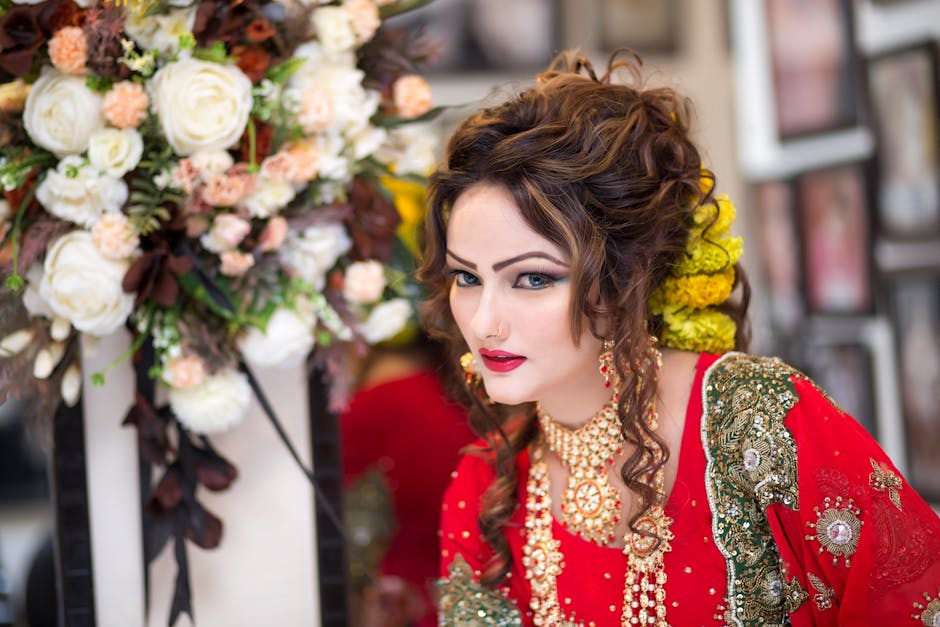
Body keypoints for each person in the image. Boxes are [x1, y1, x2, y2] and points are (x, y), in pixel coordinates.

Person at [418, 50, 940, 626]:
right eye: (466, 277)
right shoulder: (485, 489)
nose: (485, 320)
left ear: (624, 278)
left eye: (532, 278)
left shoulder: (758, 420)